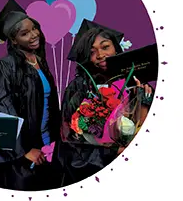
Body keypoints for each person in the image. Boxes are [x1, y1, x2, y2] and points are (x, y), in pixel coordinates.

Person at [56, 19, 154, 186]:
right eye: (92, 51)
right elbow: (71, 137)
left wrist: (143, 98)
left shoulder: (133, 81)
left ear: (116, 47)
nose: (100, 55)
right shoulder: (78, 87)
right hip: (93, 168)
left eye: (105, 46)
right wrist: (113, 152)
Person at [0, 0, 62, 191]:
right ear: (13, 40)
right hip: (21, 154)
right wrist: (24, 151)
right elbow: (3, 108)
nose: (34, 35)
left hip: (47, 146)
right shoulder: (5, 66)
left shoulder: (40, 62)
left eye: (34, 28)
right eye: (25, 33)